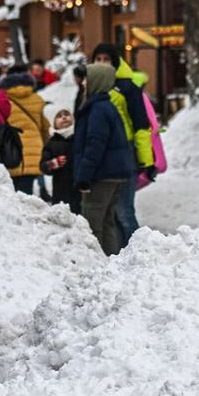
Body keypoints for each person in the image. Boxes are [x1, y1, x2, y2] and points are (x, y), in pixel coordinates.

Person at [91, 43, 154, 249]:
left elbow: (141, 126)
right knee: (109, 210)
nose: (101, 64)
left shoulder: (127, 87)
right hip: (102, 154)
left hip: (125, 153)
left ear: (115, 62)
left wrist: (145, 159)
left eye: (106, 60)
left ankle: (139, 251)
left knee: (123, 209)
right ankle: (119, 251)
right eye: (97, 60)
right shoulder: (92, 86)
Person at [74, 63, 136, 256]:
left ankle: (96, 262)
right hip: (114, 172)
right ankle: (110, 260)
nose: (84, 83)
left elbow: (95, 144)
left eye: (88, 78)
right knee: (108, 220)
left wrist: (84, 175)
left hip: (101, 174)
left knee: (92, 223)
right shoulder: (107, 106)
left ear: (97, 81)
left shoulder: (97, 109)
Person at [0, 64, 50, 195]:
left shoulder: (1, 101)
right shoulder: (37, 100)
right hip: (34, 152)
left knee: (12, 197)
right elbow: (45, 128)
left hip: (11, 153)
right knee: (26, 196)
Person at [40, 109, 78, 211]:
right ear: (54, 123)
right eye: (59, 116)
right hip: (60, 190)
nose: (64, 117)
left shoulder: (79, 137)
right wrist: (53, 163)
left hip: (79, 188)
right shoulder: (51, 142)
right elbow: (43, 166)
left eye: (66, 114)